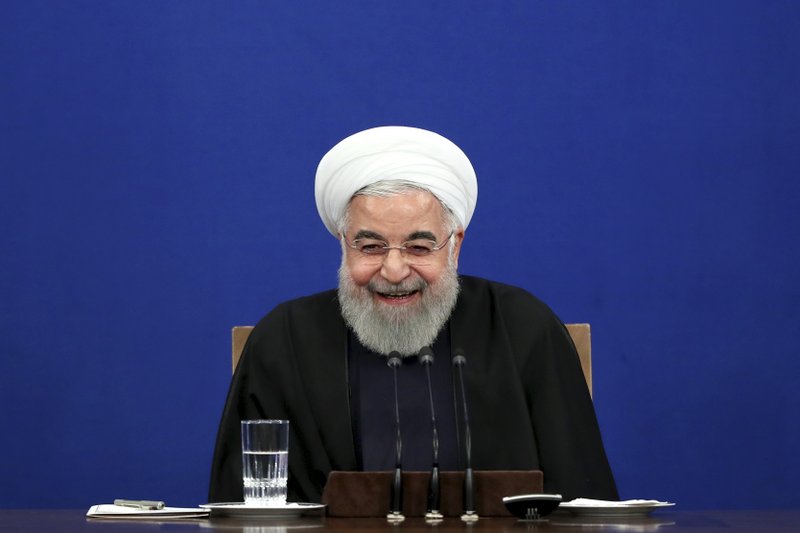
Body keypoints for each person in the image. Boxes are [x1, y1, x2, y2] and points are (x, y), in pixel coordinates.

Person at [209, 126, 618, 504]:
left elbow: (582, 503)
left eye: (419, 248)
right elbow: (244, 510)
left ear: (455, 246)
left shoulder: (522, 328)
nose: (394, 270)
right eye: (370, 247)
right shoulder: (286, 339)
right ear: (343, 243)